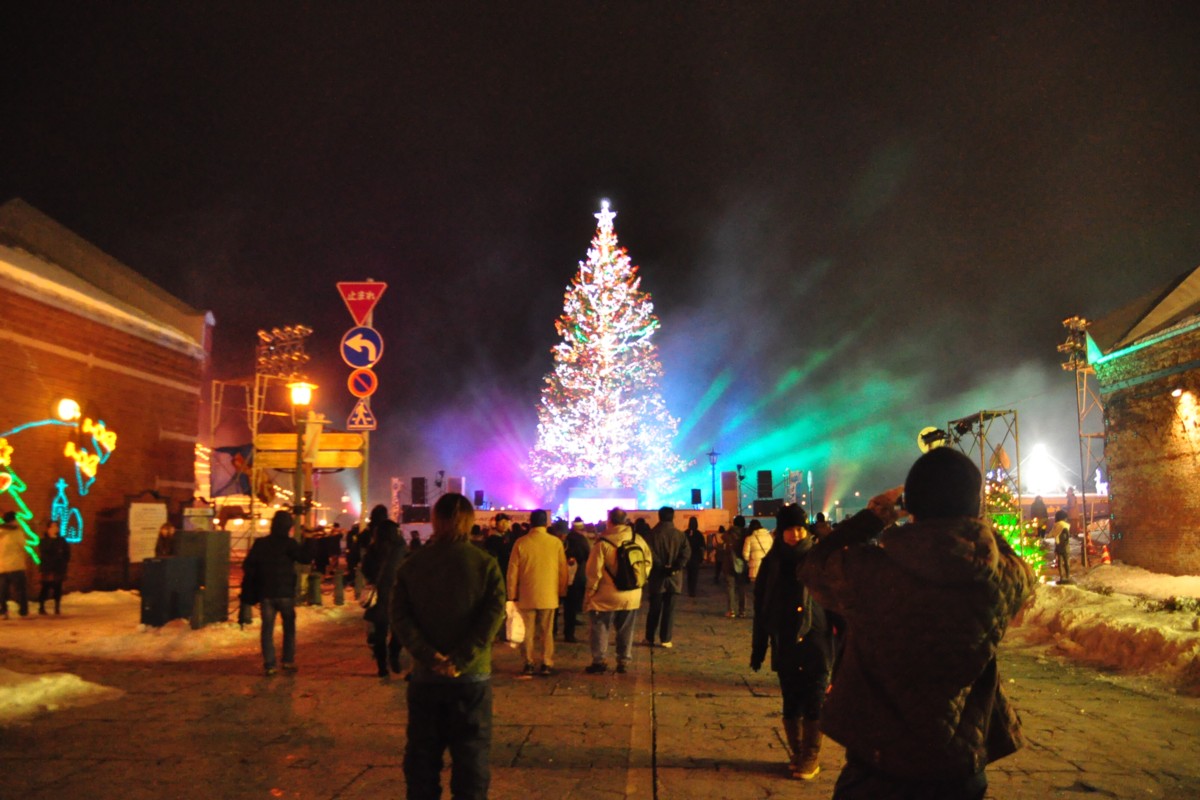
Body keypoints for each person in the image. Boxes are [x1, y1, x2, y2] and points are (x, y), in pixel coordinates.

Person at [800, 447, 1036, 800]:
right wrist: (975, 520)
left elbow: (814, 565)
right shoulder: (1004, 578)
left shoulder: (870, 572)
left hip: (878, 768)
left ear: (911, 505)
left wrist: (875, 517)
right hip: (959, 768)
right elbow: (1015, 559)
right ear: (974, 504)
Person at [391, 492, 506, 800]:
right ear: (470, 522)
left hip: (426, 678)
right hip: (472, 678)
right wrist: (462, 659)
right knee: (471, 761)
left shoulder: (412, 566)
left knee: (422, 760)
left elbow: (400, 617)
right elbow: (493, 616)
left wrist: (430, 657)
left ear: (435, 521)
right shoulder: (486, 565)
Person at [750, 504, 831, 780]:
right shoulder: (771, 562)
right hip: (784, 639)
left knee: (815, 698)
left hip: (816, 638)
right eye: (789, 529)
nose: (795, 534)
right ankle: (796, 752)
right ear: (780, 531)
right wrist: (758, 647)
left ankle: (811, 755)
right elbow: (761, 605)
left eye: (800, 527)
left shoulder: (820, 559)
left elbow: (838, 603)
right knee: (791, 699)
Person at [583, 507, 651, 674]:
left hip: (606, 595)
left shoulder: (602, 543)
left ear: (610, 521)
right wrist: (636, 582)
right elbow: (647, 564)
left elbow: (594, 572)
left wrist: (590, 593)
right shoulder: (638, 539)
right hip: (632, 594)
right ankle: (623, 661)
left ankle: (599, 661)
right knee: (626, 628)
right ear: (626, 521)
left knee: (600, 626)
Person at [241, 510, 309, 675]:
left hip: (266, 592)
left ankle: (270, 664)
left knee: (267, 629)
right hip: (285, 592)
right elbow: (304, 558)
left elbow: (248, 565)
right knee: (289, 627)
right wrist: (309, 541)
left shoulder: (261, 543)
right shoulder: (290, 544)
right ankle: (287, 660)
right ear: (288, 527)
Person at [506, 509, 568, 677]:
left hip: (526, 593)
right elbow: (563, 570)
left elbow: (512, 572)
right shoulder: (555, 543)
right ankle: (547, 662)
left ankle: (528, 662)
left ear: (531, 522)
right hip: (549, 594)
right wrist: (562, 590)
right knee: (547, 631)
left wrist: (511, 595)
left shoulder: (521, 543)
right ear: (546, 523)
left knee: (527, 631)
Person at [365, 506, 408, 677]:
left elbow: (366, 569)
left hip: (380, 596)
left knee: (380, 633)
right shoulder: (401, 547)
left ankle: (382, 667)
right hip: (398, 594)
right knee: (399, 630)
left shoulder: (373, 549)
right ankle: (395, 655)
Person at [643, 506, 689, 648]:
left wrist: (660, 566)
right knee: (670, 609)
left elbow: (648, 553)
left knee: (654, 608)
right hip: (674, 578)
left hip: (657, 576)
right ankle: (666, 638)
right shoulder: (680, 535)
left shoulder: (651, 535)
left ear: (659, 516)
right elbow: (686, 553)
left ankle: (649, 637)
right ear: (673, 517)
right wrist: (675, 567)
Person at [557, 518, 591, 642]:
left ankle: (554, 630)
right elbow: (588, 555)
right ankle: (569, 633)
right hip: (577, 576)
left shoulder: (564, 540)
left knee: (558, 604)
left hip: (560, 575)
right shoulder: (582, 540)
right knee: (571, 605)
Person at [0, 511, 30, 619]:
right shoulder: (17, 532)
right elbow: (23, 545)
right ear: (13, 520)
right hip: (16, 566)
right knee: (20, 590)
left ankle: (3, 611)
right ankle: (23, 611)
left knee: (2, 591)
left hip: (2, 566)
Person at [38, 520, 71, 615]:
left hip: (58, 567)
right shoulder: (44, 541)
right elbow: (44, 552)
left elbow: (67, 553)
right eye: (52, 527)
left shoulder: (62, 540)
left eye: (56, 526)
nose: (55, 528)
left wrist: (64, 561)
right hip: (47, 567)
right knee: (45, 587)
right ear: (48, 529)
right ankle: (41, 607)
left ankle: (57, 607)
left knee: (58, 587)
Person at [720, 517, 749, 617]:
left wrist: (730, 529)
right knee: (742, 587)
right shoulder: (746, 534)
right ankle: (742, 611)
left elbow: (722, 537)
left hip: (729, 563)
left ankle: (731, 610)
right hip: (742, 563)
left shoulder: (729, 534)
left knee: (730, 587)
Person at [742, 518, 772, 583]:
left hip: (755, 568)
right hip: (767, 567)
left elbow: (745, 555)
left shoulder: (749, 538)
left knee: (756, 589)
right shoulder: (769, 536)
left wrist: (749, 560)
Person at [684, 516, 707, 597]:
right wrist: (703, 557)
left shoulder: (685, 533)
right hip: (696, 557)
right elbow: (702, 547)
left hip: (687, 557)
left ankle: (690, 589)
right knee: (694, 574)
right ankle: (692, 591)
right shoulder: (699, 534)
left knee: (689, 574)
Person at [1051, 509, 1072, 584]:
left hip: (1058, 546)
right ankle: (1067, 576)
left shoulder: (1056, 526)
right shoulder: (1064, 525)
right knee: (1066, 562)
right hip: (1065, 547)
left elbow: (1052, 534)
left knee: (1059, 562)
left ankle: (1061, 577)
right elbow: (1067, 536)